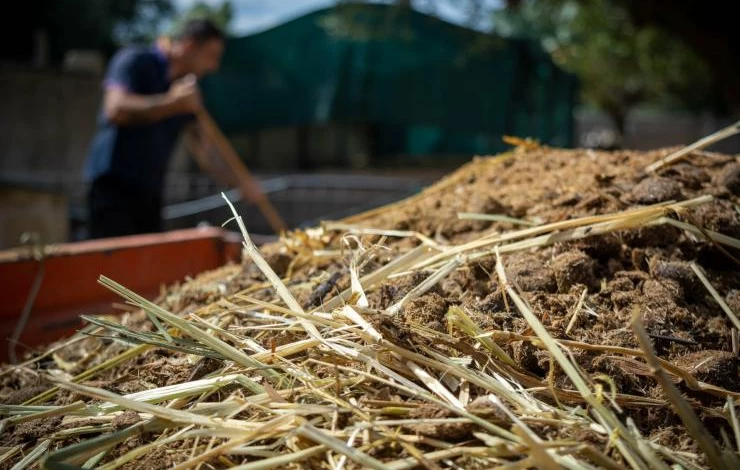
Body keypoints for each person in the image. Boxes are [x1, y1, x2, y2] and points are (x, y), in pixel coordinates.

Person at [82, 18, 261, 239]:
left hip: (151, 193)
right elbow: (115, 109)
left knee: (148, 267)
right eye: (210, 56)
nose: (213, 66)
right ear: (189, 45)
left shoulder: (186, 93)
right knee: (111, 265)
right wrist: (171, 103)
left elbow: (206, 152)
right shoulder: (135, 61)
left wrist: (240, 183)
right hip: (112, 189)